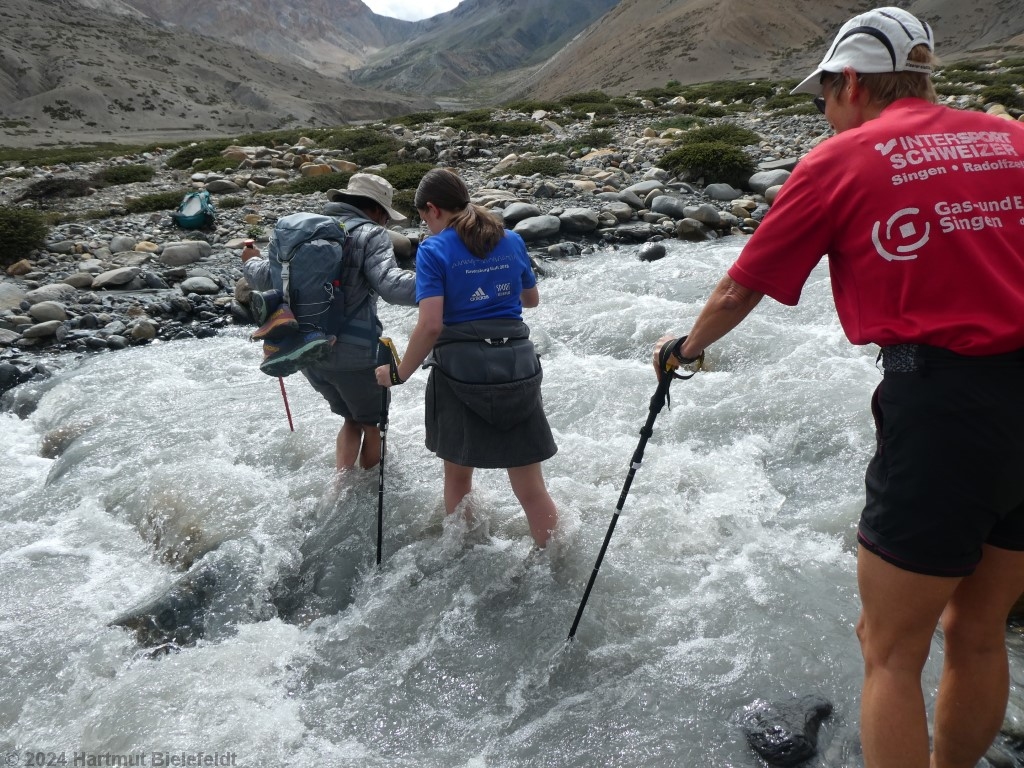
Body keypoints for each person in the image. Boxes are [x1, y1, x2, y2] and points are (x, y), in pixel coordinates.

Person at [653, 8, 1024, 768]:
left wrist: (685, 350)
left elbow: (740, 289)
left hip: (943, 412)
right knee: (979, 630)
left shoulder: (840, 161)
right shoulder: (1012, 139)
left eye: (823, 95)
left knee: (889, 651)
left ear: (851, 81)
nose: (824, 111)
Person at [374, 168, 559, 548]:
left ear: (433, 208)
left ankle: (463, 555)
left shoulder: (434, 250)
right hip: (518, 365)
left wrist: (399, 374)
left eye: (424, 218)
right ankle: (555, 560)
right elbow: (531, 300)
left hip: (460, 370)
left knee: (458, 478)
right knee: (531, 488)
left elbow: (431, 325)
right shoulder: (511, 239)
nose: (427, 226)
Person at [244, 173, 417, 470]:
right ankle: (363, 491)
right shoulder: (371, 234)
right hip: (355, 354)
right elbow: (391, 286)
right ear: (375, 209)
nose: (386, 222)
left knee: (350, 418)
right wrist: (442, 285)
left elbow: (264, 277)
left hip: (307, 348)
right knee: (373, 424)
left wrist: (249, 260)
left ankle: (340, 485)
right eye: (386, 216)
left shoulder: (300, 234)